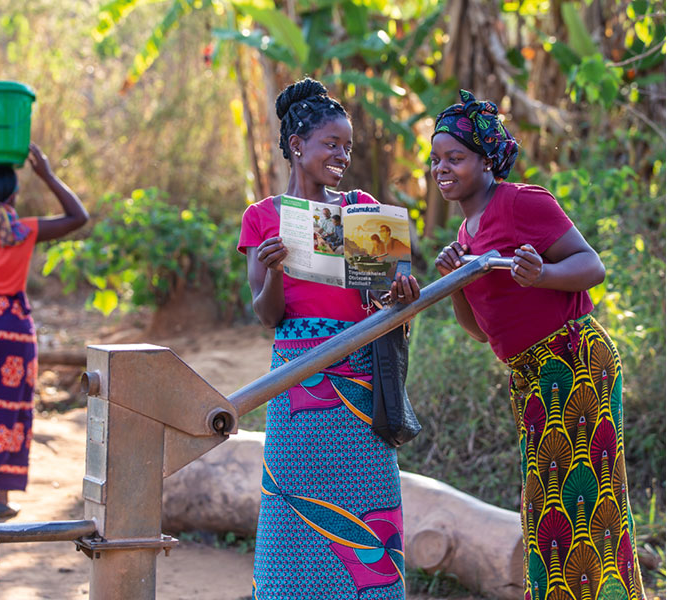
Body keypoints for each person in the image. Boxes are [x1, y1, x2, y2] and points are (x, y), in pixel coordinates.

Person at [432, 90, 646, 599]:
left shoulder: (522, 202)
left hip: (572, 359)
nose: (442, 168)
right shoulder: (466, 232)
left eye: (455, 158)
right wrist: (457, 280)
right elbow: (481, 331)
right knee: (545, 504)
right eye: (436, 159)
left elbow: (591, 266)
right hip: (529, 376)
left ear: (487, 161)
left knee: (584, 498)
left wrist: (544, 273)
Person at [238, 77, 419, 599]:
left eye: (347, 146)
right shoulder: (263, 217)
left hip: (360, 381)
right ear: (298, 146)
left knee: (369, 503)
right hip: (298, 384)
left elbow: (383, 305)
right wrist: (274, 272)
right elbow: (267, 317)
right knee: (294, 506)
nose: (342, 155)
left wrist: (400, 295)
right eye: (330, 144)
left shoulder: (360, 208)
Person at [0, 144, 87, 518]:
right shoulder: (23, 231)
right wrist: (47, 174)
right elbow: (77, 217)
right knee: (11, 409)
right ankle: (2, 499)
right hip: (14, 329)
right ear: (13, 195)